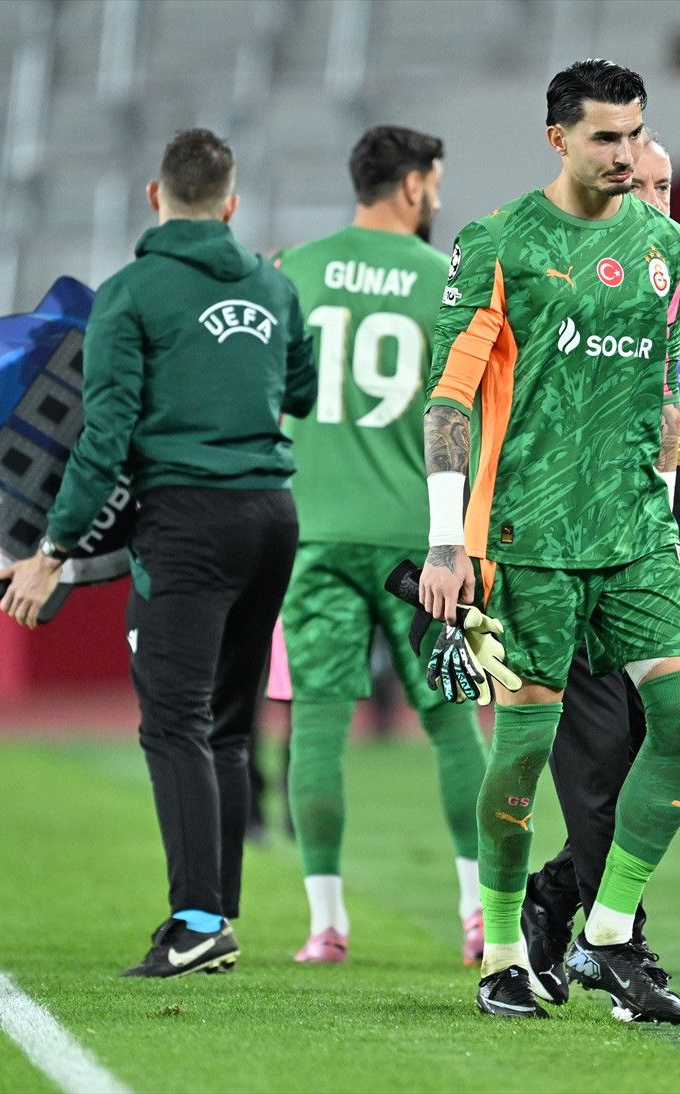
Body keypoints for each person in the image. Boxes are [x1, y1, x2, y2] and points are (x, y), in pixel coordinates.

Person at [420, 59, 680, 1023]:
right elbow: (448, 399)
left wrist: (671, 508)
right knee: (524, 754)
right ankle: (501, 954)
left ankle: (608, 934)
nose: (625, 153)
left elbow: (666, 394)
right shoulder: (498, 242)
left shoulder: (665, 244)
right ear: (557, 138)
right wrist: (446, 544)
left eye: (635, 133)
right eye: (606, 136)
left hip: (637, 534)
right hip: (530, 536)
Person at [0, 128, 316, 976]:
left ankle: (199, 922)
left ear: (154, 196)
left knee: (174, 722)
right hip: (272, 516)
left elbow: (104, 437)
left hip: (188, 520)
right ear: (232, 205)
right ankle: (216, 916)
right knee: (228, 727)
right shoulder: (274, 285)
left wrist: (50, 552)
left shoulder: (131, 293)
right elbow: (305, 390)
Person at [518, 132, 680, 1013]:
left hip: (657, 551)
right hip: (568, 551)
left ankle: (556, 896)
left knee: (664, 745)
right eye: (642, 188)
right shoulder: (560, 275)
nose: (657, 205)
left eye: (667, 188)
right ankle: (620, 945)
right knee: (596, 760)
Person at [272, 126, 489, 967]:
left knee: (317, 724)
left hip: (315, 530)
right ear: (412, 186)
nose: (437, 196)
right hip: (419, 542)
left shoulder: (293, 269)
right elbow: (470, 410)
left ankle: (325, 924)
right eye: (434, 182)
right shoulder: (447, 279)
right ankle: (478, 912)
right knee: (452, 722)